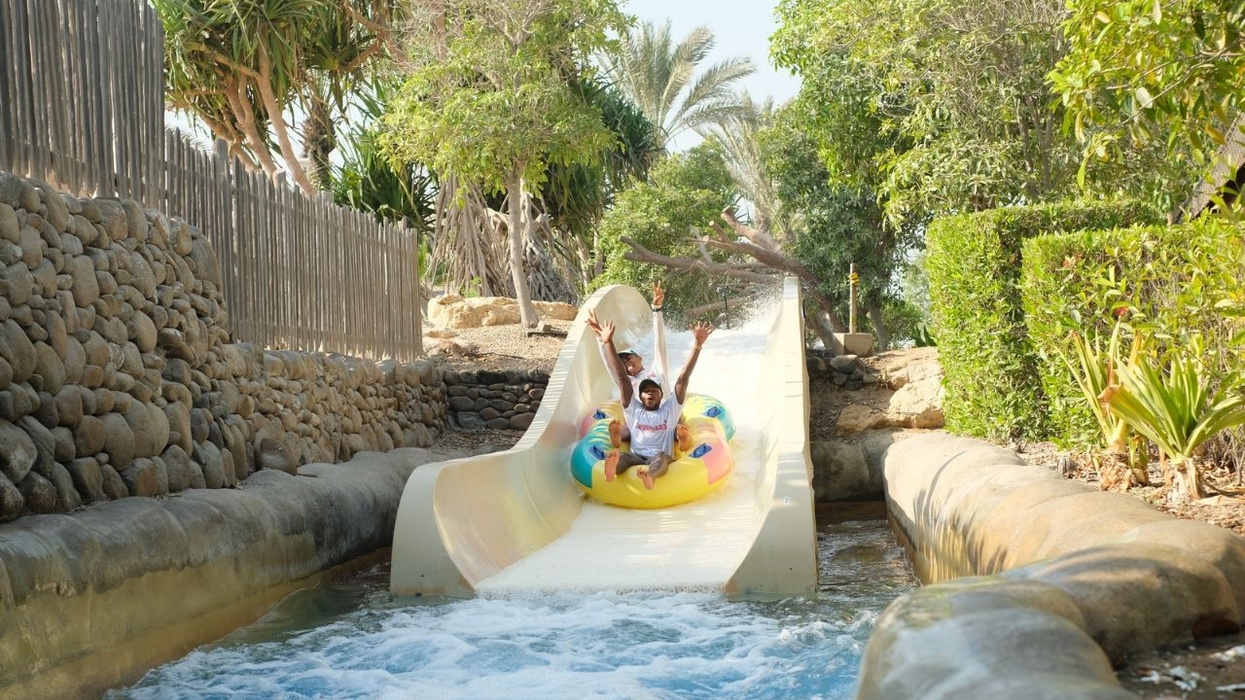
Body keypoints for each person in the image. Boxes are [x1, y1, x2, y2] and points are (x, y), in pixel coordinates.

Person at [596, 317, 714, 490]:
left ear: (662, 394)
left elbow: (683, 378)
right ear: (639, 396)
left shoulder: (669, 410)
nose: (650, 393)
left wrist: (697, 346)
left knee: (661, 458)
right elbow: (621, 377)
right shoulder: (633, 409)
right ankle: (612, 469)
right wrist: (608, 342)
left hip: (659, 455)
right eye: (645, 391)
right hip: (636, 456)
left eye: (654, 390)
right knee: (622, 457)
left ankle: (650, 475)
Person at [586, 281, 689, 450]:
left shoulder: (657, 370)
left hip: (665, 417)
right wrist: (600, 338)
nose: (626, 362)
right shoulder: (626, 381)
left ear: (640, 358)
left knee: (678, 422)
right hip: (641, 423)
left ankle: (681, 438)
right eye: (623, 361)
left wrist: (657, 311)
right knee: (627, 427)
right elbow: (610, 364)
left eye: (629, 357)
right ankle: (618, 437)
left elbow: (659, 343)